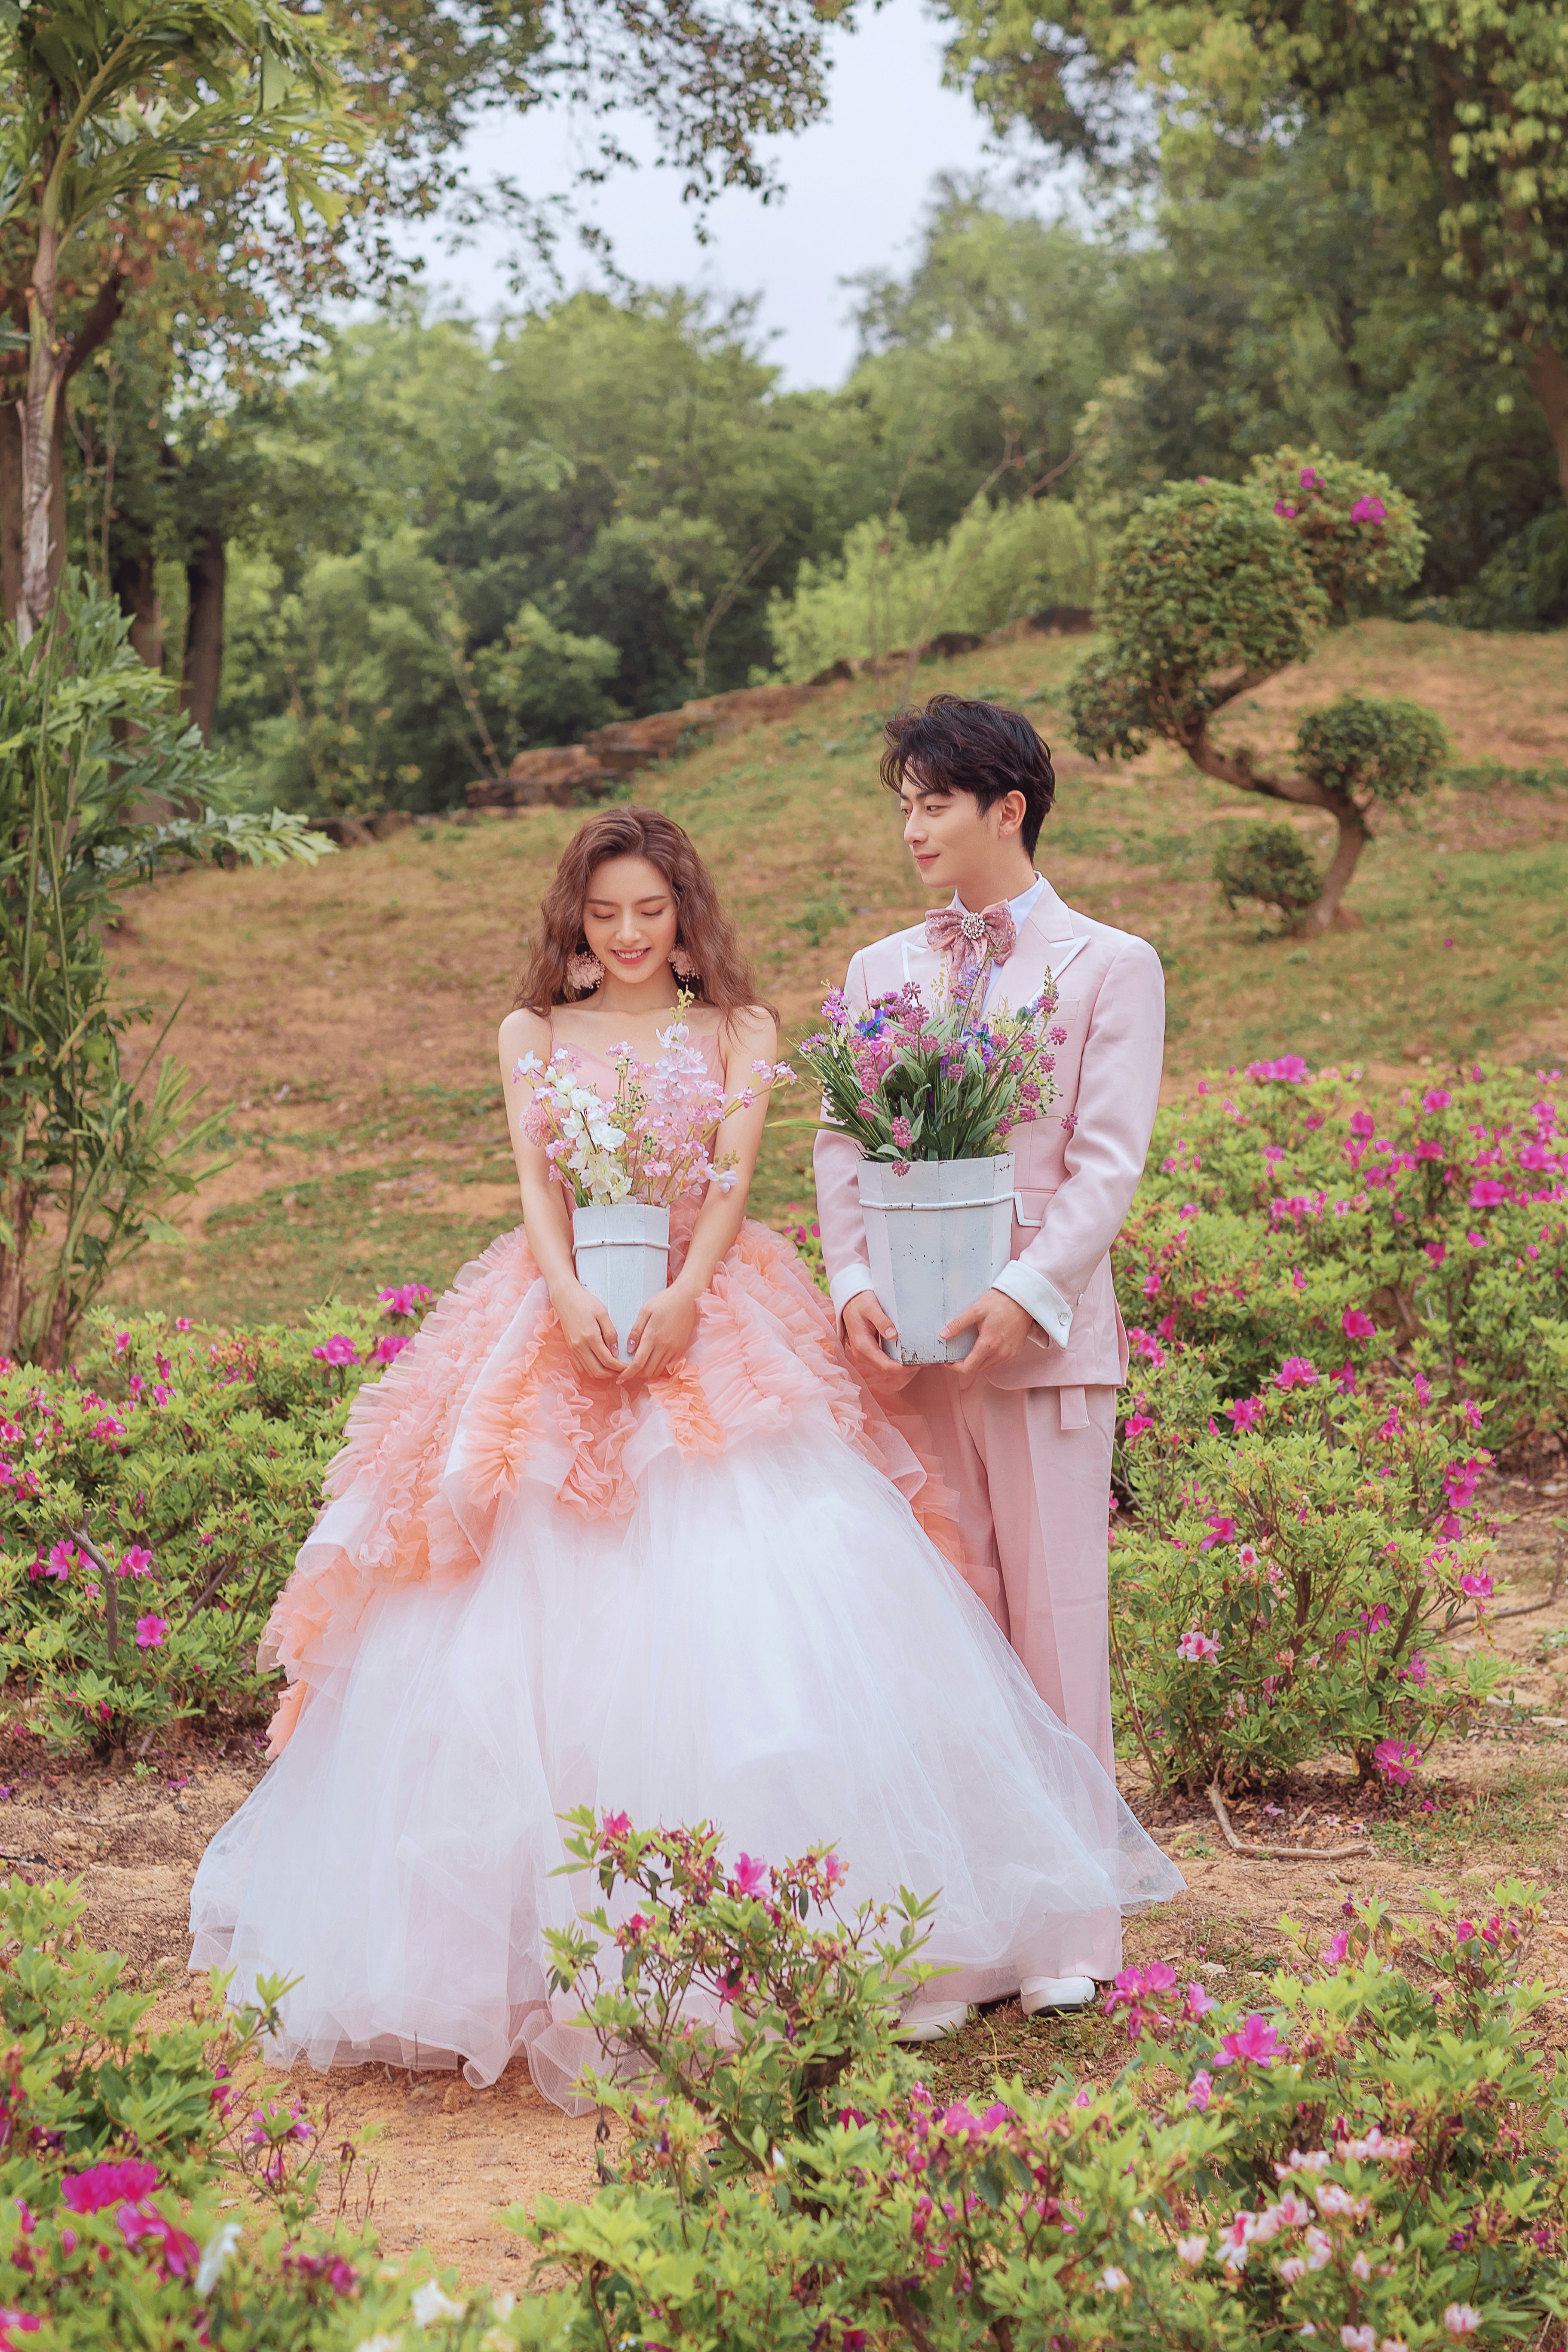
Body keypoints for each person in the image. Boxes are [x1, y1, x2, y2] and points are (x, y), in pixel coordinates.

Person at [190, 806, 1180, 2100]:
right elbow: (536, 1188)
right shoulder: (530, 1034)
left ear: (684, 914)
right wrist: (566, 1293)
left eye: (650, 911)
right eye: (605, 913)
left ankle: (837, 1927)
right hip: (559, 1311)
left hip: (709, 1312)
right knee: (515, 1588)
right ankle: (537, 1946)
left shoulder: (742, 1030)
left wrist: (681, 1296)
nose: (628, 934)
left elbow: (729, 1185)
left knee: (771, 1582)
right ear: (576, 919)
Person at [813, 695, 1167, 2014]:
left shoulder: (1109, 965)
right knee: (943, 1634)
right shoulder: (878, 971)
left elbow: (1106, 1163)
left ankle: (1067, 1934)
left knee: (1057, 1630)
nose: (912, 829)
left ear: (1007, 808)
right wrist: (854, 1281)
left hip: (1044, 1349)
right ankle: (951, 1938)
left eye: (934, 804)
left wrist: (1027, 1289)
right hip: (910, 1354)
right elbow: (842, 1145)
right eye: (903, 806)